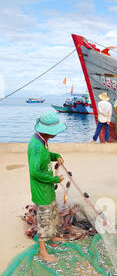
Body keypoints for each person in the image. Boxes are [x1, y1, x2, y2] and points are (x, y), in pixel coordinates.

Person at [27, 111, 66, 262]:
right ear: (45, 130)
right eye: (53, 131)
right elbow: (35, 172)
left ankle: (52, 235)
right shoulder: (36, 146)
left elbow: (46, 155)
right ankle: (43, 252)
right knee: (44, 218)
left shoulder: (43, 140)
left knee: (53, 212)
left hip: (48, 187)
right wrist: (55, 178)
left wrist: (56, 156)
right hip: (41, 189)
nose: (55, 134)